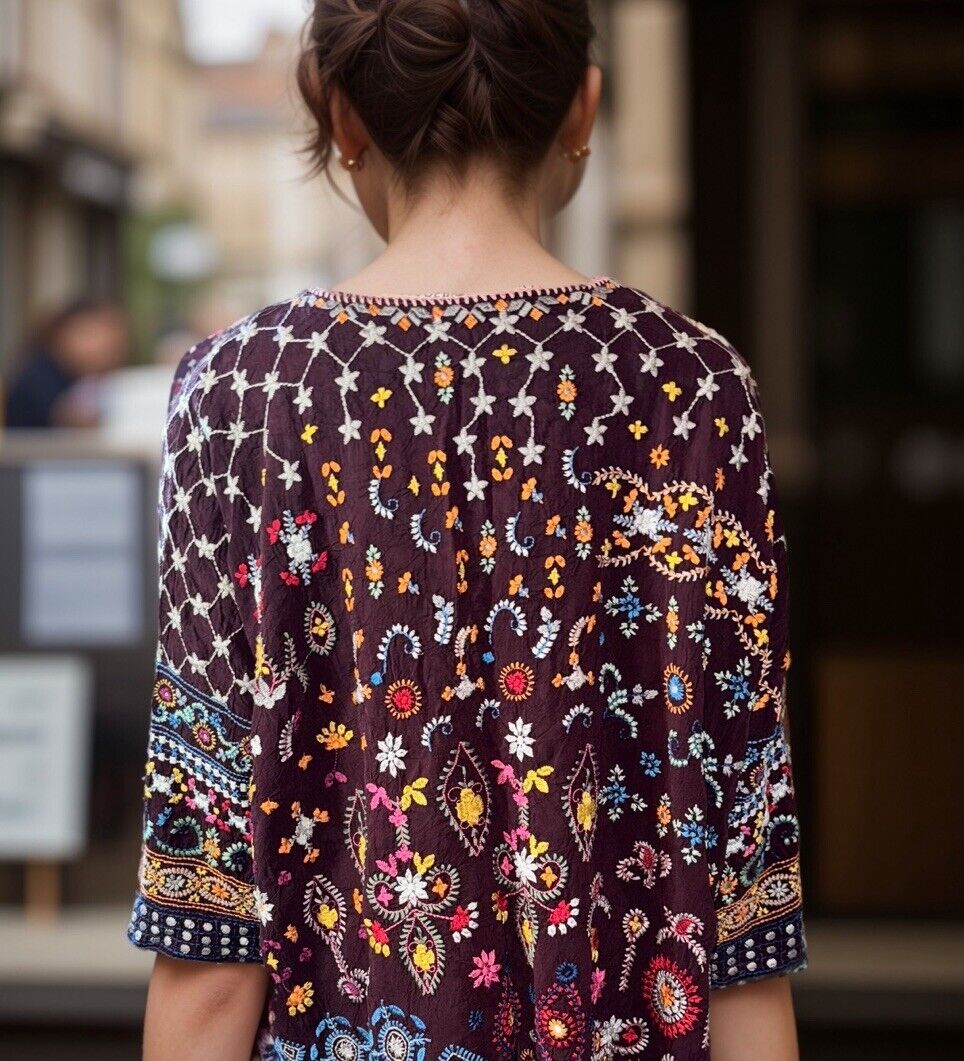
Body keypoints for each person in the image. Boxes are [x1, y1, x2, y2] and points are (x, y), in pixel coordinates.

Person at [127, 2, 806, 1058]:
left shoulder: (244, 389)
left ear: (340, 118)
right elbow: (741, 879)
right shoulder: (689, 382)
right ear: (581, 107)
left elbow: (210, 875)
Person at [3, 299, 129, 428]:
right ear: (63, 333)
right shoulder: (38, 374)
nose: (100, 345)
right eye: (87, 333)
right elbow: (69, 417)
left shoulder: (76, 374)